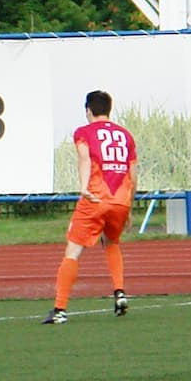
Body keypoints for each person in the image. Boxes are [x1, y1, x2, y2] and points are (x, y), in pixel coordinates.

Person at [44, 90, 136, 324]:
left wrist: (83, 187)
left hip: (95, 197)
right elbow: (133, 174)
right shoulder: (125, 135)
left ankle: (59, 309)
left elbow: (85, 158)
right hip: (121, 199)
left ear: (88, 111)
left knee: (73, 251)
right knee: (111, 242)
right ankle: (120, 293)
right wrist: (130, 208)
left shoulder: (83, 132)